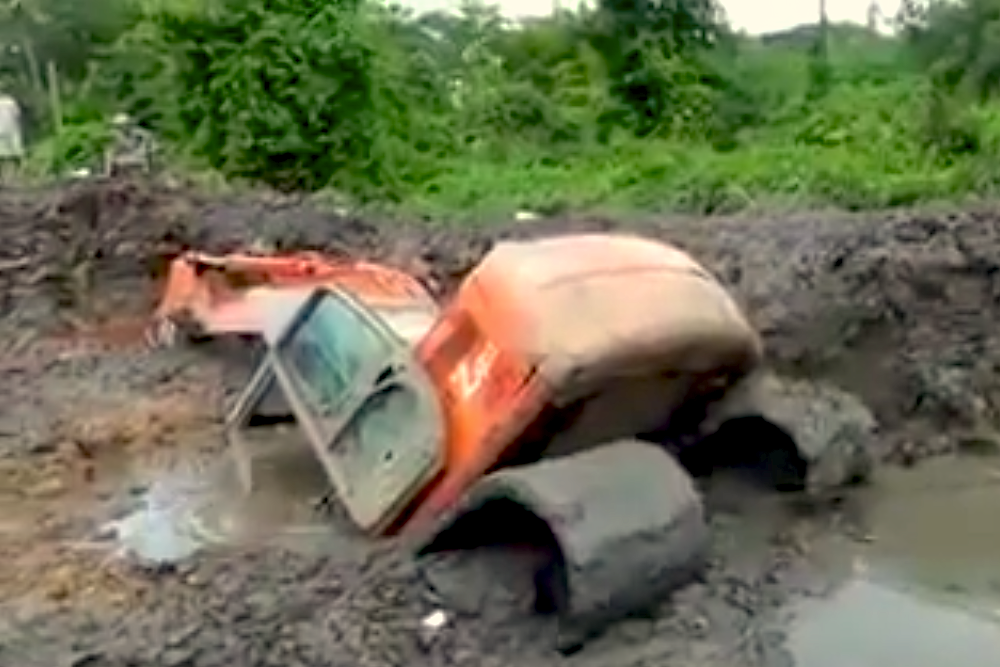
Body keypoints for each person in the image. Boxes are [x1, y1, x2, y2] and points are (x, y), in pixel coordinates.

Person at [105, 112, 154, 176]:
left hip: (140, 156)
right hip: (128, 156)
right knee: (109, 153)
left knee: (144, 152)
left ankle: (146, 171)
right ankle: (109, 173)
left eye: (123, 125)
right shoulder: (118, 135)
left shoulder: (140, 133)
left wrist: (144, 150)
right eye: (119, 126)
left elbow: (149, 143)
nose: (121, 128)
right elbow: (116, 148)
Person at [0, 92, 24, 185]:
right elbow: (18, 115)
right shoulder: (10, 102)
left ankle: (6, 180)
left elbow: (17, 114)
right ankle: (12, 179)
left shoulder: (10, 102)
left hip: (5, 133)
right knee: (13, 157)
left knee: (5, 158)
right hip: (11, 132)